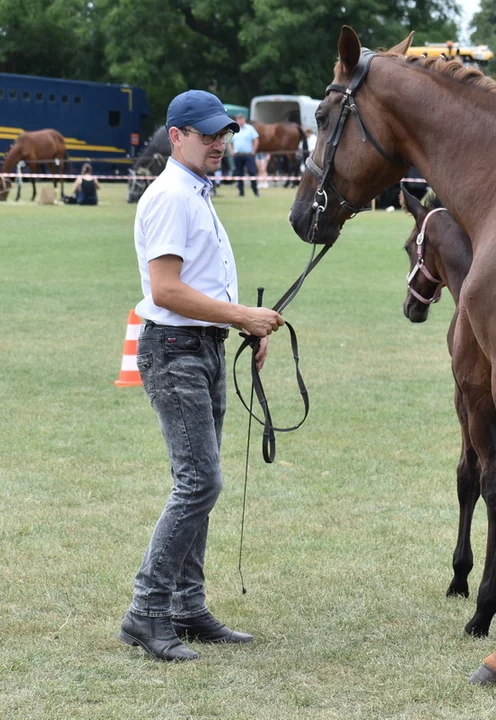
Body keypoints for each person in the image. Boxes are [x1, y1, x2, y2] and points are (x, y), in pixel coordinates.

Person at [120, 89, 285, 662]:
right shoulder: (171, 195)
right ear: (177, 137)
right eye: (208, 134)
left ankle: (187, 608)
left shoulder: (196, 191)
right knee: (199, 482)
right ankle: (146, 611)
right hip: (175, 349)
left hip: (201, 346)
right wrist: (243, 316)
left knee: (200, 480)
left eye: (225, 134)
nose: (220, 143)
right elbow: (165, 290)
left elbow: (198, 283)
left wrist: (241, 329)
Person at [230, 113, 260, 197]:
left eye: (241, 119)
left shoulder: (250, 129)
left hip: (248, 154)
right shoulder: (234, 130)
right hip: (238, 155)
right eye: (238, 119)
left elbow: (256, 140)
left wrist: (254, 150)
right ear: (236, 120)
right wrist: (232, 151)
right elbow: (230, 142)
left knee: (252, 172)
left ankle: (255, 191)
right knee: (239, 174)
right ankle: (241, 192)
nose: (240, 121)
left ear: (244, 120)